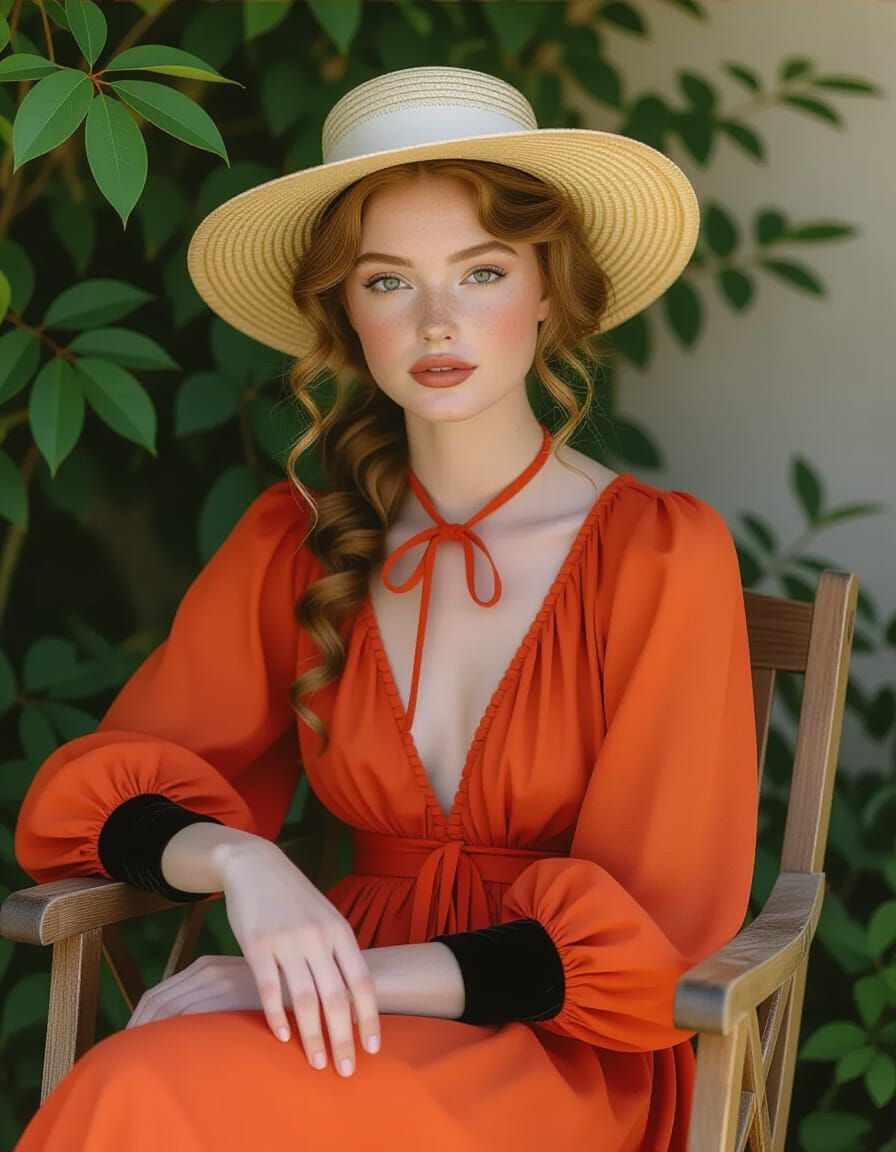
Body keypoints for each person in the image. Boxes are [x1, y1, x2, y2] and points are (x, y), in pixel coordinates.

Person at [12, 65, 758, 1151]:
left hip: (546, 1040)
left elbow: (654, 936)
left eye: (482, 271)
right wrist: (245, 867)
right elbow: (98, 801)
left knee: (150, 1092)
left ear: (547, 290)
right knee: (142, 1086)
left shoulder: (658, 553)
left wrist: (323, 976)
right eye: (388, 282)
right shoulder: (298, 536)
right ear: (342, 312)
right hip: (324, 1010)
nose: (438, 321)